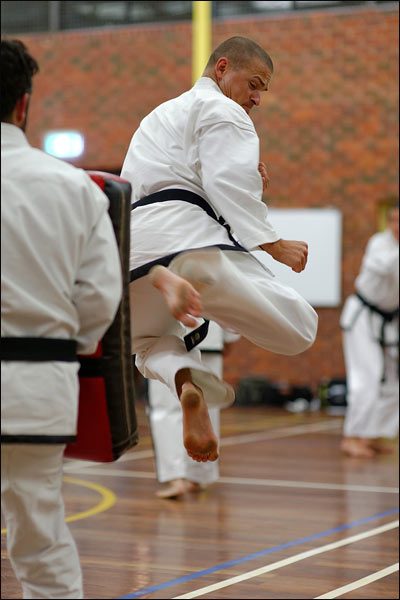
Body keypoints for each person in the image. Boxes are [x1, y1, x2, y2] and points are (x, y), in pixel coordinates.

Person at [122, 36, 318, 465]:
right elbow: (228, 183)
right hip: (191, 243)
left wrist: (241, 173)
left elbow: (172, 182)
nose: (256, 98)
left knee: (148, 347)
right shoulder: (224, 110)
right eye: (254, 83)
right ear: (222, 68)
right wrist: (274, 243)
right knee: (301, 327)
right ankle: (198, 276)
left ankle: (185, 382)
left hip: (135, 255)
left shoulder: (157, 118)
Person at [1, 39, 122, 599]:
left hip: (39, 378)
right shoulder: (73, 187)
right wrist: (60, 345)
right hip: (36, 389)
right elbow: (99, 296)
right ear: (23, 105)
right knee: (41, 544)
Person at [148, 322, 240, 499]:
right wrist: (229, 336)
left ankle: (176, 478)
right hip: (210, 334)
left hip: (168, 334)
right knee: (208, 407)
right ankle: (200, 476)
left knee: (166, 410)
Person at [340, 204, 399, 458]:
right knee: (367, 377)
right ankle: (352, 436)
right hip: (363, 317)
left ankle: (373, 434)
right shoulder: (379, 244)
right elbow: (385, 268)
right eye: (394, 220)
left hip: (390, 321)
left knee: (393, 382)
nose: (396, 225)